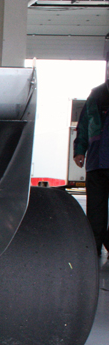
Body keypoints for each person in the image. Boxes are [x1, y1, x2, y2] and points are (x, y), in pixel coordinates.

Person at [73, 60, 109, 255]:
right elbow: (85, 124)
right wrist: (80, 150)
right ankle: (92, 251)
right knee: (95, 211)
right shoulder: (96, 94)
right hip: (96, 164)